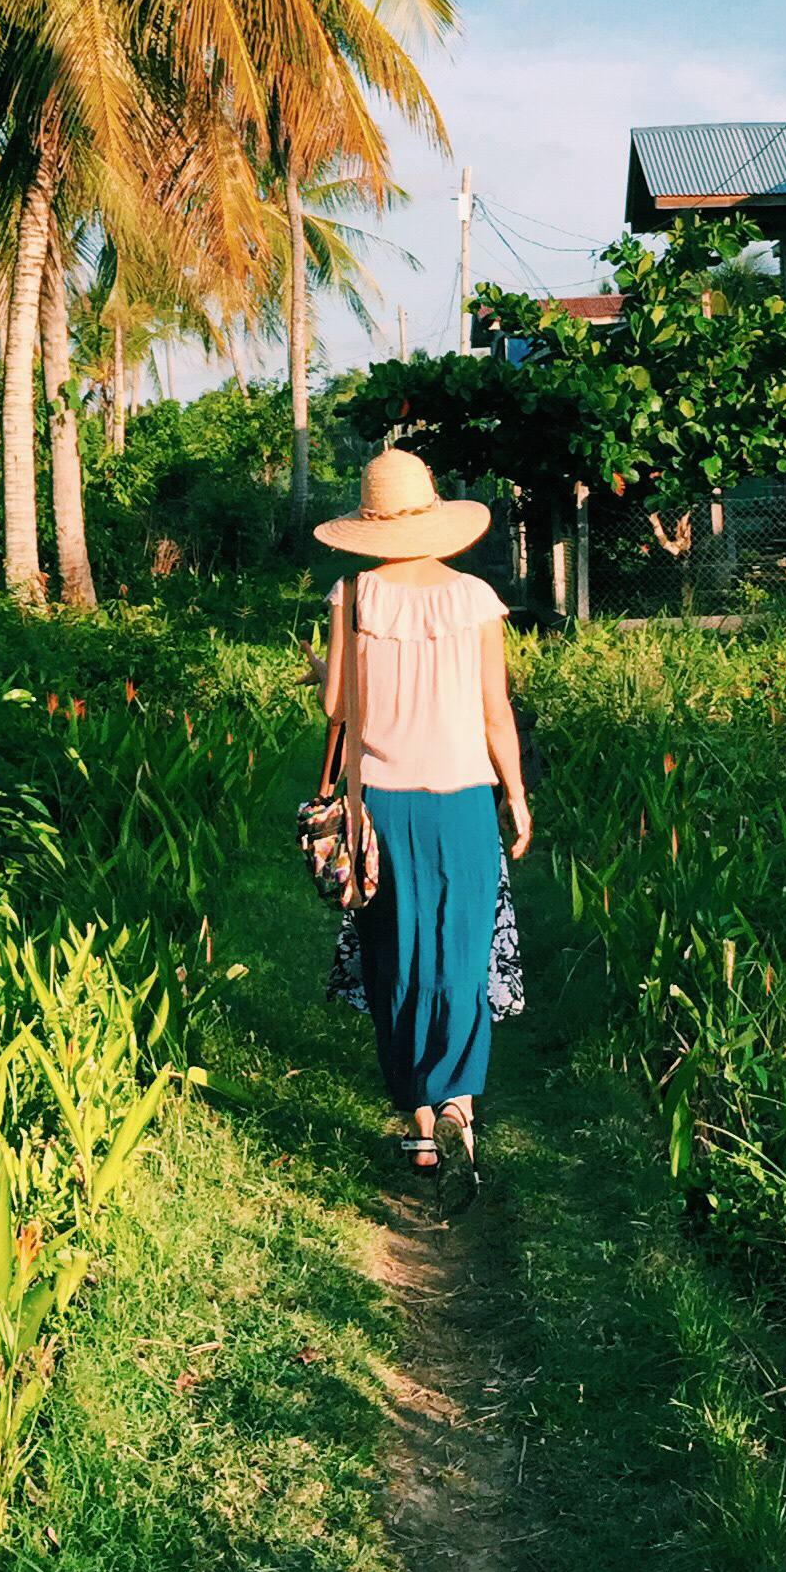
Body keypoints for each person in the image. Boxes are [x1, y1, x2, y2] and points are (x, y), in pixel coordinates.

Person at [305, 445, 532, 1178]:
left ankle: (422, 1122)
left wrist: (321, 674)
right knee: (462, 952)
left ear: (367, 524)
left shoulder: (354, 595)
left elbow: (338, 706)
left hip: (382, 809)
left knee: (396, 953)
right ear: (434, 516)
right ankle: (462, 1098)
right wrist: (517, 797)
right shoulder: (473, 598)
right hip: (464, 799)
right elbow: (496, 712)